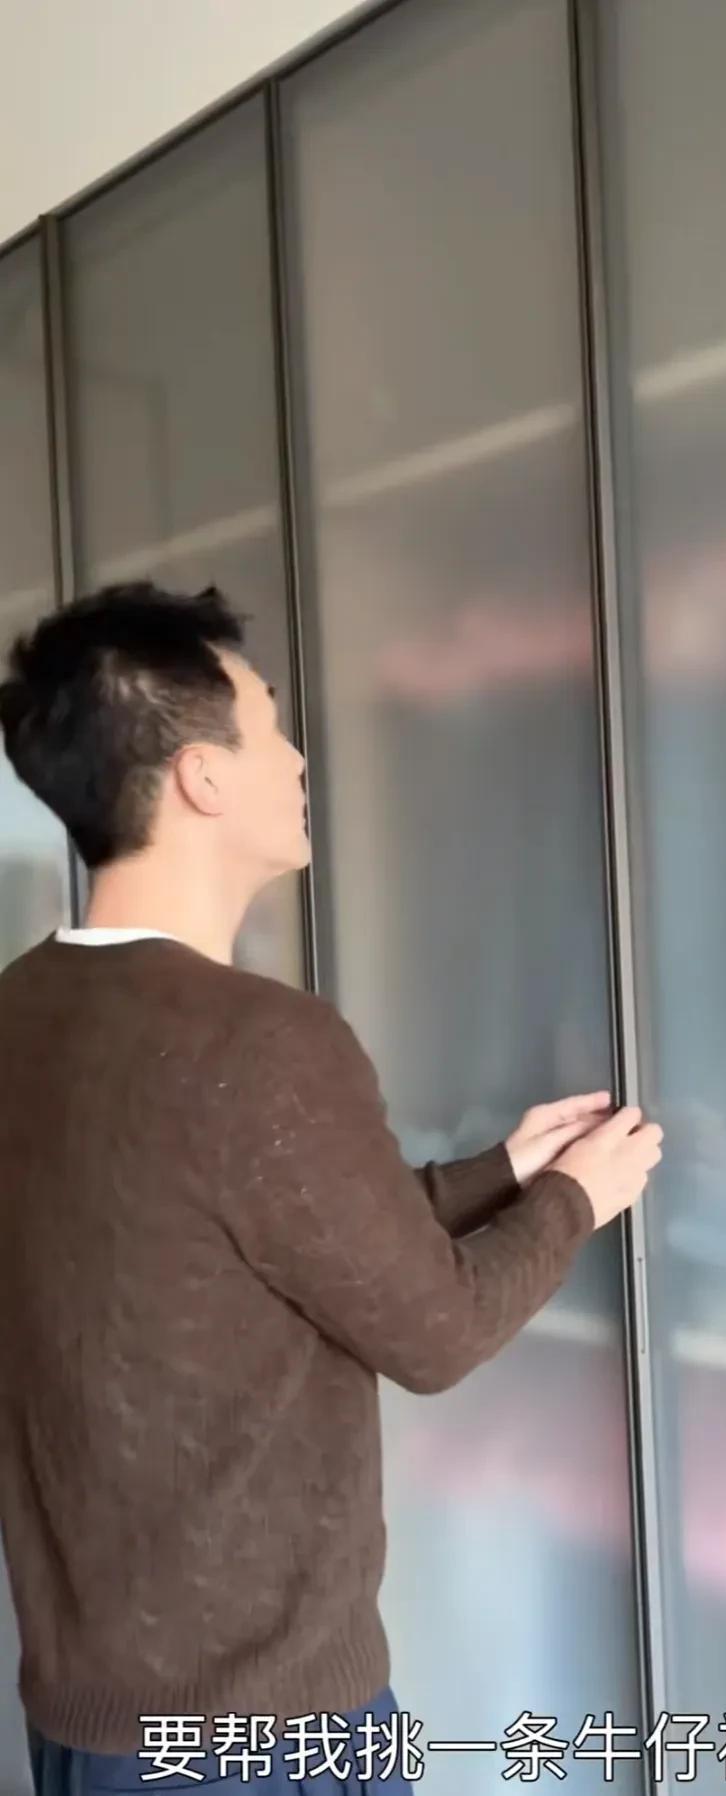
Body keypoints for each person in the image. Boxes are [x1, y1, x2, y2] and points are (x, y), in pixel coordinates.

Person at [0, 583, 660, 1795]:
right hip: (260, 1735)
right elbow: (437, 1330)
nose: (300, 758)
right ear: (201, 776)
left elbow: (245, 1232)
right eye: (269, 722)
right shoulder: (259, 1042)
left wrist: (502, 1172)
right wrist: (577, 1197)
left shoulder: (25, 1012)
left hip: (91, 1727)